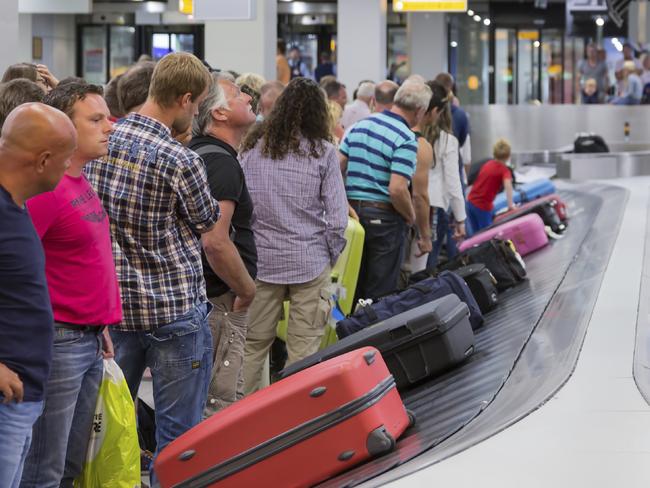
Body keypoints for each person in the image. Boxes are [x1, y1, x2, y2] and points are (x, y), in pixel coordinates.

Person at [85, 52, 219, 469]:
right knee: (179, 440)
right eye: (197, 107)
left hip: (116, 313)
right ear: (185, 98)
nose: (196, 115)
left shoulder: (101, 141)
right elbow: (207, 219)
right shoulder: (181, 159)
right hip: (174, 311)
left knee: (111, 427)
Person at [20, 82, 119, 488]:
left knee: (71, 464)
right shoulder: (45, 192)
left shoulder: (78, 179)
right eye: (95, 119)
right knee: (46, 466)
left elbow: (81, 260)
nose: (109, 127)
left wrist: (102, 324)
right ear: (64, 128)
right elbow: (16, 269)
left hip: (89, 337)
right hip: (60, 342)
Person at [240, 77, 348, 393]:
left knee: (252, 346)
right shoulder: (324, 152)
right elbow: (338, 220)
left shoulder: (252, 147)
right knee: (303, 351)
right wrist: (327, 255)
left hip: (262, 262)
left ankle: (238, 419)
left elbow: (240, 204)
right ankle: (294, 417)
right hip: (309, 262)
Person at [0, 103, 77, 488]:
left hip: (22, 392)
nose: (68, 169)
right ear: (44, 160)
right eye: (65, 160)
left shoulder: (15, 205)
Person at [188, 74, 257, 415]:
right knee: (218, 400)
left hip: (208, 295)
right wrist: (245, 287)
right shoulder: (220, 162)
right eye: (238, 94)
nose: (247, 97)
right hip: (220, 297)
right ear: (219, 113)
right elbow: (215, 240)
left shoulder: (203, 153)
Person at [339, 80, 432, 300]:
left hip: (352, 217)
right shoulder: (406, 138)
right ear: (419, 112)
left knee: (351, 286)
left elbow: (335, 168)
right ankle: (371, 333)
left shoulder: (358, 126)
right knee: (379, 293)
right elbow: (397, 189)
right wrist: (410, 217)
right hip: (384, 220)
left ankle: (347, 330)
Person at [421, 81, 466, 268]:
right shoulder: (447, 141)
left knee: (411, 265)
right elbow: (453, 182)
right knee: (427, 268)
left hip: (410, 206)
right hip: (435, 207)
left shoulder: (409, 135)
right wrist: (460, 219)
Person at [466, 138, 515, 233]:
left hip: (470, 203)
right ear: (508, 156)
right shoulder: (504, 170)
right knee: (487, 235)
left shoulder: (487, 164)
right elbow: (508, 187)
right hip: (482, 207)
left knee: (475, 235)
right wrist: (510, 205)